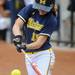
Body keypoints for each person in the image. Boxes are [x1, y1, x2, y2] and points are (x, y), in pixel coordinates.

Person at [12, 0, 57, 75]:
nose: (41, 10)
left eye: (44, 8)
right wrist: (18, 37)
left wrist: (24, 46)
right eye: (39, 7)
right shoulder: (30, 9)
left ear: (51, 6)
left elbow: (39, 43)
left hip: (43, 55)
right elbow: (17, 25)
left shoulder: (51, 20)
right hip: (29, 55)